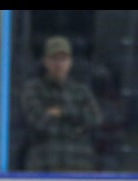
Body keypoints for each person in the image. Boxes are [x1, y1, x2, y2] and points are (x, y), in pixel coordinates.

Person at [20, 35, 102, 172]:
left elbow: (95, 119)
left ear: (71, 62)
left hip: (79, 166)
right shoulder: (33, 89)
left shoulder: (81, 91)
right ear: (45, 61)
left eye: (63, 59)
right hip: (44, 166)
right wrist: (76, 127)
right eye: (54, 59)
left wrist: (61, 112)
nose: (59, 64)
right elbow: (38, 123)